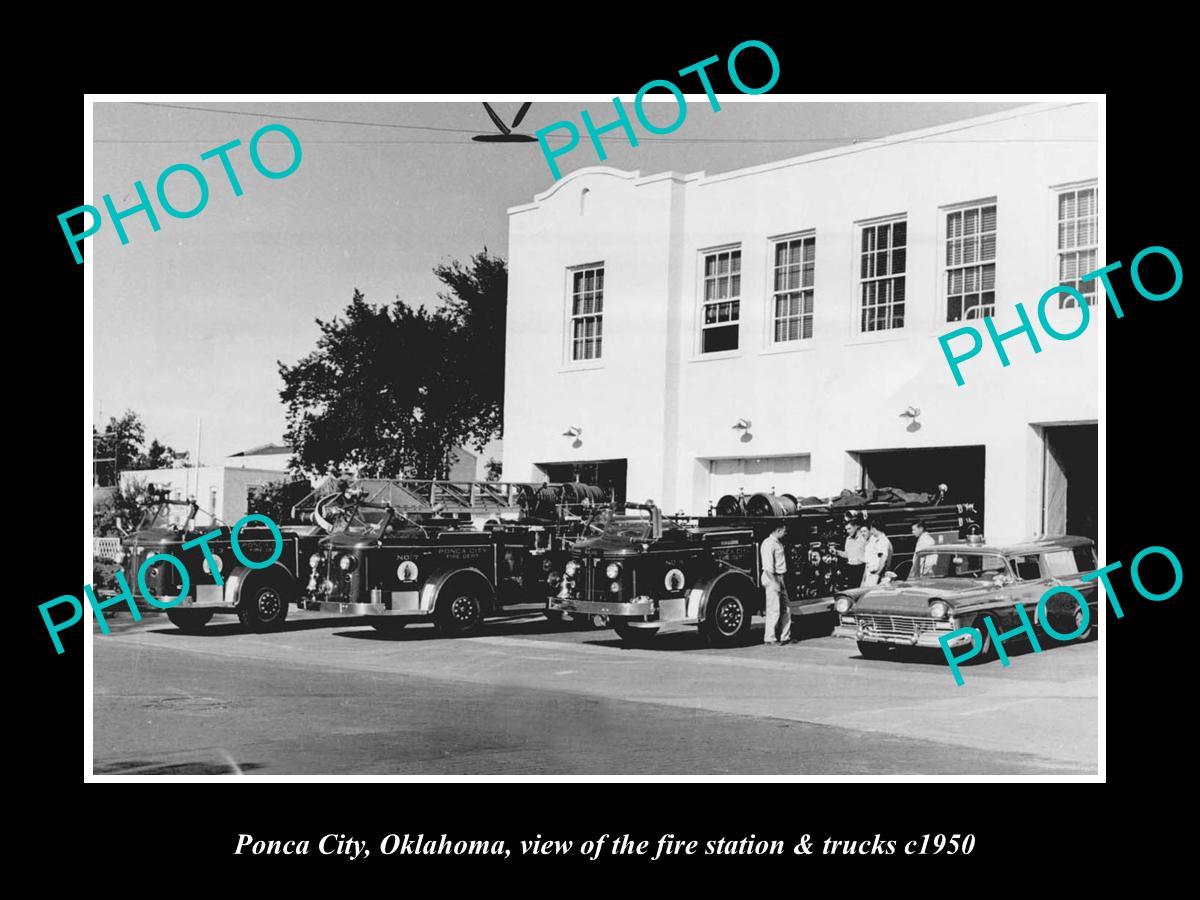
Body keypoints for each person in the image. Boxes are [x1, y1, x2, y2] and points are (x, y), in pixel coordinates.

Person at [760, 523, 792, 645]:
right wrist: (775, 583)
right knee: (774, 609)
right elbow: (768, 567)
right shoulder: (768, 544)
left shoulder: (777, 543)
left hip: (780, 577)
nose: (785, 533)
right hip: (773, 578)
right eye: (784, 531)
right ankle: (769, 638)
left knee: (786, 608)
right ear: (778, 530)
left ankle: (785, 636)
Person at [834, 520, 868, 586]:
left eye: (849, 529)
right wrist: (837, 552)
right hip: (850, 568)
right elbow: (847, 555)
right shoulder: (848, 539)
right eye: (846, 529)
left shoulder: (863, 538)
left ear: (856, 527)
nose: (848, 531)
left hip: (861, 568)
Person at [862, 521, 894, 586]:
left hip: (876, 574)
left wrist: (877, 573)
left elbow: (883, 558)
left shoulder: (883, 541)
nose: (871, 532)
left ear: (874, 529)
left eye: (871, 529)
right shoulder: (875, 540)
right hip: (871, 573)